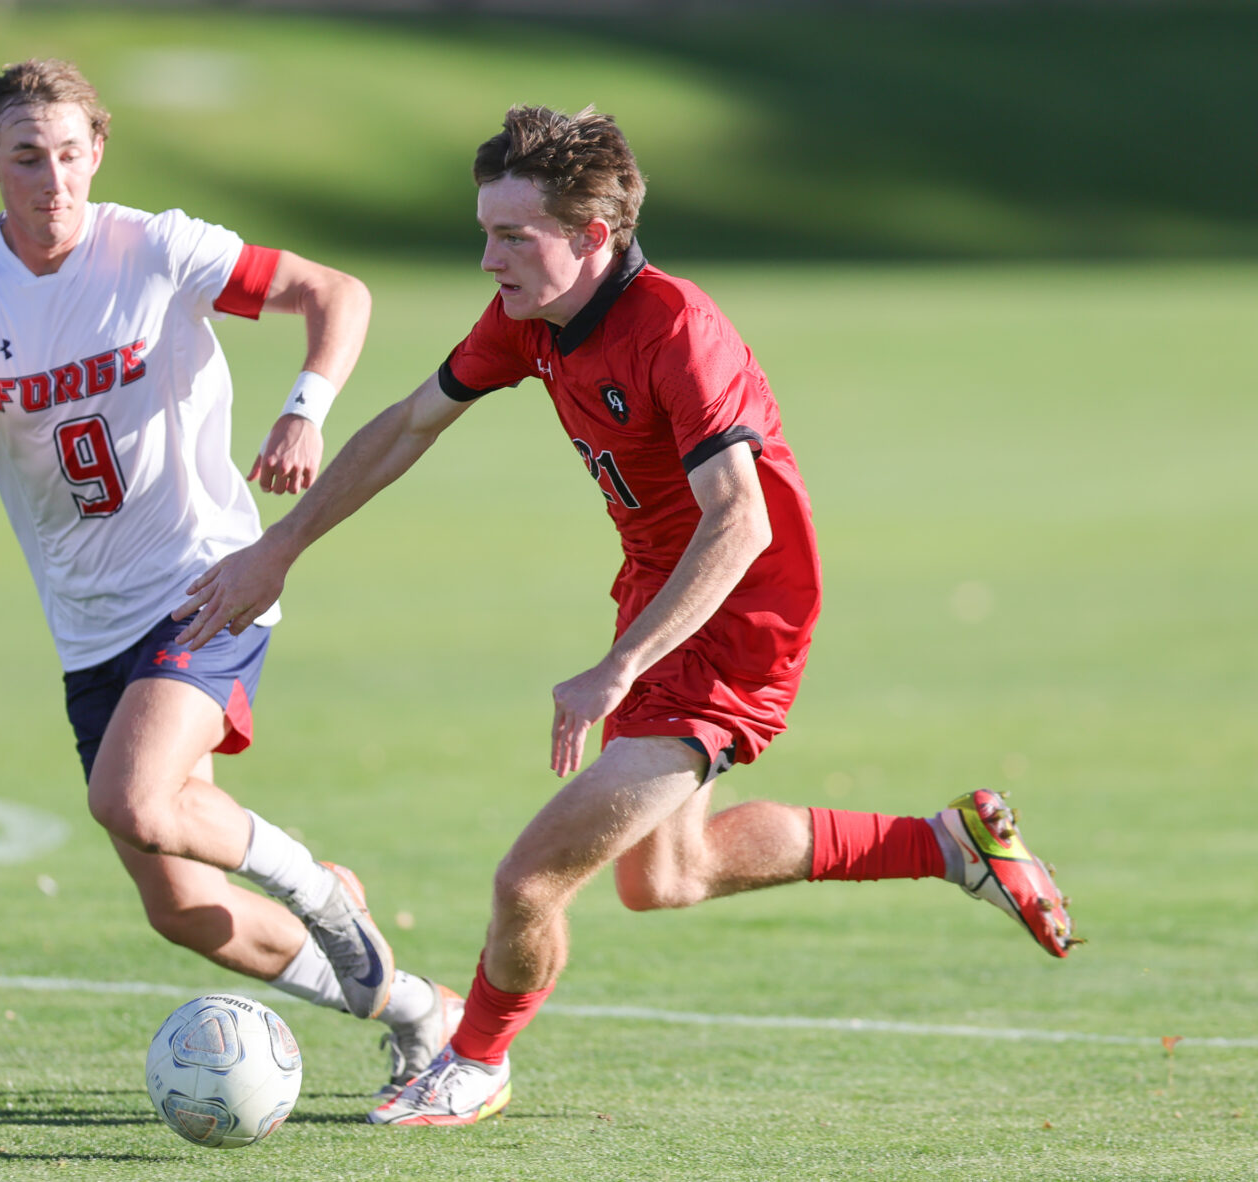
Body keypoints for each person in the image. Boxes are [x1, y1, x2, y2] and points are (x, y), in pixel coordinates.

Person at [175, 104, 1081, 1126]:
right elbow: (406, 427)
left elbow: (738, 523)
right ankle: (947, 845)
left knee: (527, 883)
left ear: (592, 237)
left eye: (511, 236)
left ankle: (473, 1060)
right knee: (668, 873)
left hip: (736, 612)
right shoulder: (532, 318)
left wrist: (616, 668)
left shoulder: (678, 329)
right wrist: (280, 547)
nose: (487, 259)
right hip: (657, 588)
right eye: (485, 231)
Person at [0, 59, 462, 1096]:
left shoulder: (153, 246)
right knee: (181, 910)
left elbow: (336, 292)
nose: (53, 179)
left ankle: (317, 891)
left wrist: (305, 407)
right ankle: (421, 1012)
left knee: (134, 800)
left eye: (69, 154)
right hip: (86, 625)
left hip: (207, 580)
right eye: (25, 158)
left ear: (96, 152)